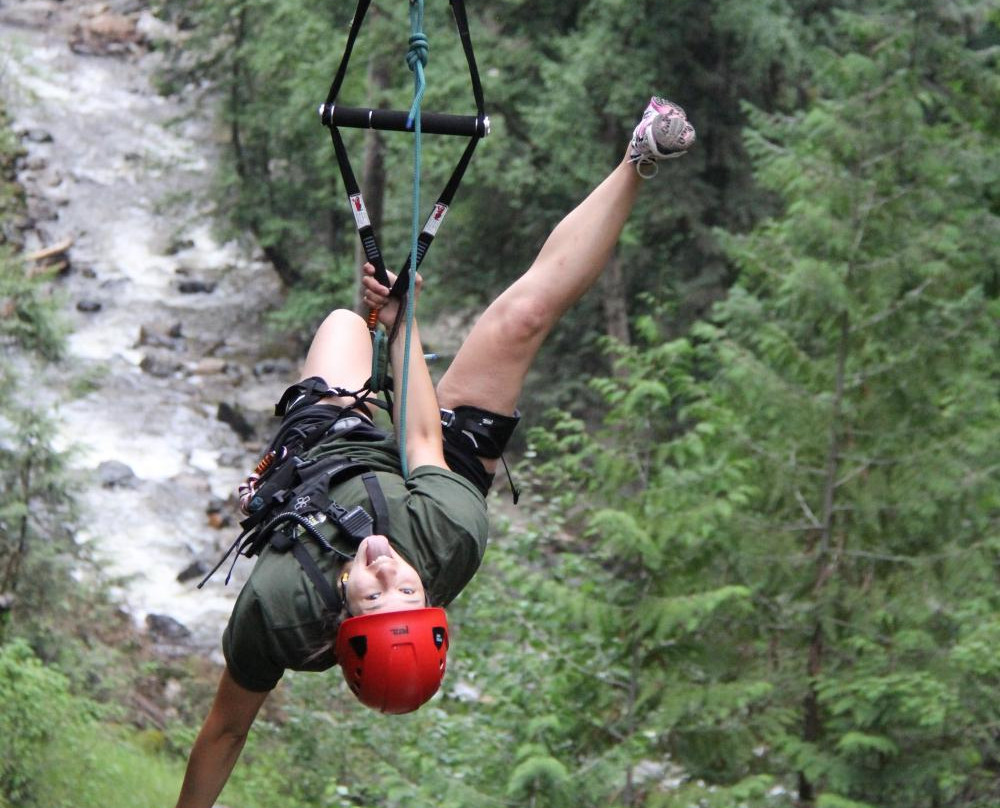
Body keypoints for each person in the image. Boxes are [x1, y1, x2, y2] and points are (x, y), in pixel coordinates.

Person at [174, 95, 695, 808]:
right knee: (521, 319)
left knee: (338, 326)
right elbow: (422, 437)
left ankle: (360, 332)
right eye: (407, 590)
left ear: (341, 614)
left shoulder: (282, 606)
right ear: (429, 592)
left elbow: (227, 730)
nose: (387, 568)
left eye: (374, 593)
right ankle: (642, 155)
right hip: (428, 477)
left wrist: (373, 322)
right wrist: (402, 323)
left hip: (334, 456)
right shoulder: (448, 538)